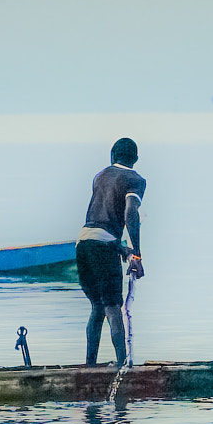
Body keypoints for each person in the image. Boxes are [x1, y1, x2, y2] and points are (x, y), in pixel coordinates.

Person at [77, 137, 146, 366]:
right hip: (103, 244)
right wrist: (136, 253)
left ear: (112, 156)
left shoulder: (100, 176)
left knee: (97, 306)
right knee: (112, 306)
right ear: (135, 159)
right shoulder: (135, 179)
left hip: (84, 242)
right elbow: (130, 214)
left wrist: (123, 250)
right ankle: (123, 367)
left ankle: (89, 367)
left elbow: (100, 223)